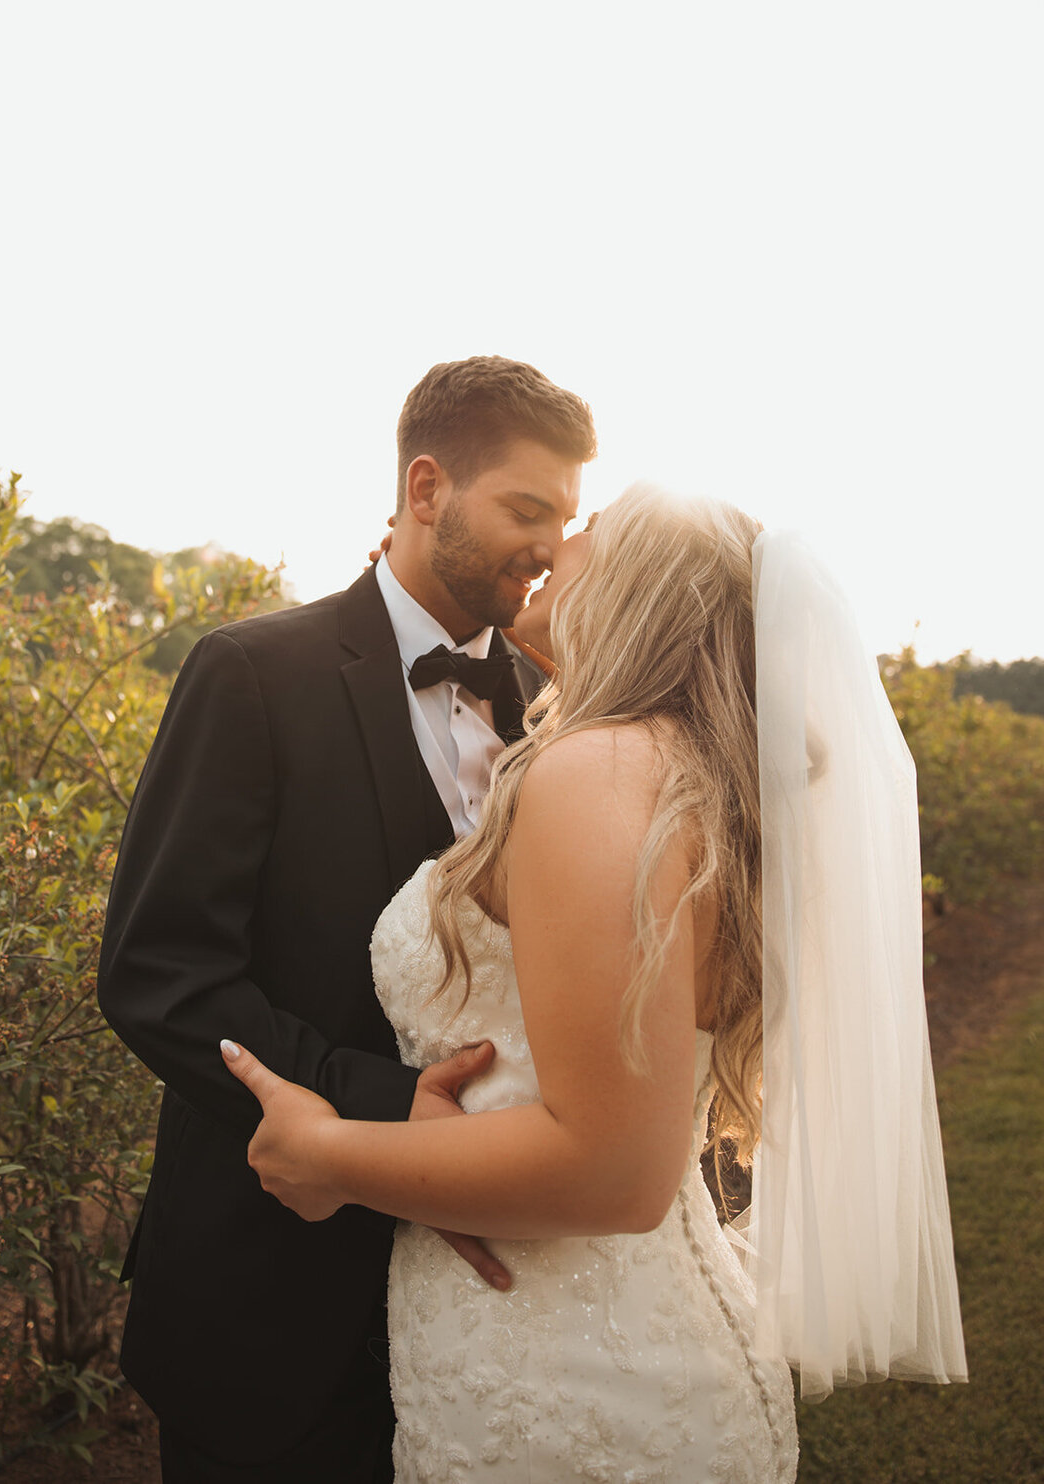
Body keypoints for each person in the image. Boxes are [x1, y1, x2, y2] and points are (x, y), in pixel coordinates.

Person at [223, 485, 969, 1481]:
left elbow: (615, 1170)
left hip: (583, 1383)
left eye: (589, 530)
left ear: (637, 588)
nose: (554, 542)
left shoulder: (605, 771)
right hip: (564, 1340)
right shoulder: (675, 772)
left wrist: (330, 1152)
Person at [96, 356, 597, 1480]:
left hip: (487, 1307)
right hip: (268, 1295)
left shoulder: (559, 716)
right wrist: (383, 1108)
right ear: (427, 488)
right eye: (526, 507)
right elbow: (159, 972)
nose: (551, 545)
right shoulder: (252, 673)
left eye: (565, 519)